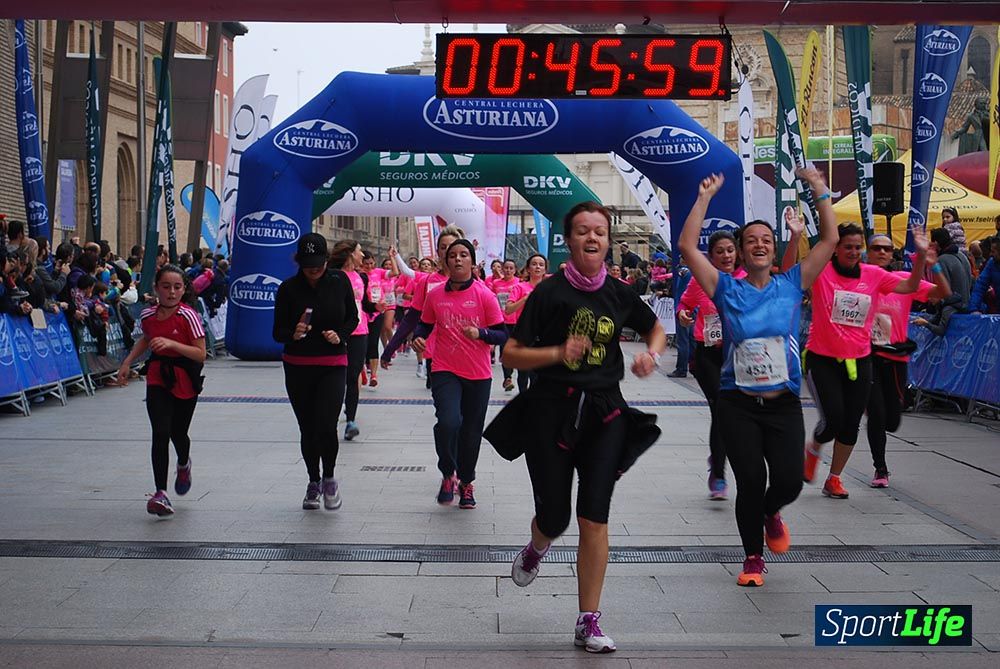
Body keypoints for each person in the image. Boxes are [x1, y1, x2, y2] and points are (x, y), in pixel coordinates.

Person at [487, 201, 666, 654]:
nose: (592, 238)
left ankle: (589, 620)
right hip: (551, 411)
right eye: (583, 231)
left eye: (600, 232)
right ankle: (536, 546)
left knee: (594, 514)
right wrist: (556, 353)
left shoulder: (620, 293)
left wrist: (651, 356)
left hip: (606, 413)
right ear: (568, 240)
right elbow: (511, 354)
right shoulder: (548, 293)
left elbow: (655, 329)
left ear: (608, 241)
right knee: (555, 518)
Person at [679, 167, 838, 587]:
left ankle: (771, 512)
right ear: (741, 251)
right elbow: (686, 246)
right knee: (750, 480)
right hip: (738, 403)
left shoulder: (792, 283)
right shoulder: (725, 288)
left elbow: (829, 241)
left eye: (766, 239)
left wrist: (819, 189)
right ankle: (752, 558)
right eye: (751, 241)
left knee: (788, 482)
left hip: (783, 403)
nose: (760, 245)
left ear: (774, 246)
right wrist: (704, 198)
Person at [803, 222, 929, 500]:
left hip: (860, 358)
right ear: (835, 249)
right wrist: (793, 237)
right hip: (822, 358)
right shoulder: (822, 271)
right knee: (833, 420)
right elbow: (790, 273)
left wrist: (920, 255)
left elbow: (910, 286)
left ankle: (834, 479)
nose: (853, 252)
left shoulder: (873, 275)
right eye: (847, 247)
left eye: (857, 247)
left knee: (851, 424)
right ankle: (813, 448)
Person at [413, 239, 507, 509]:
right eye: (452, 255)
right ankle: (447, 473)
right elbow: (424, 325)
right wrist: (418, 338)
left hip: (478, 373)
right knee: (448, 422)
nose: (457, 259)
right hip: (444, 368)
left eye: (463, 255)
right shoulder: (435, 295)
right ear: (446, 262)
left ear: (472, 262)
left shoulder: (484, 295)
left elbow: (502, 334)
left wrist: (481, 333)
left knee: (471, 432)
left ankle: (466, 482)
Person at [271, 233, 359, 510]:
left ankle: (329, 477)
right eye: (308, 265)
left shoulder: (339, 281)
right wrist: (293, 332)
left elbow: (353, 317)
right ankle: (313, 481)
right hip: (298, 365)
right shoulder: (288, 289)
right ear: (299, 262)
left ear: (327, 261)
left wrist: (340, 334)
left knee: (326, 424)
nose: (314, 270)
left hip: (332, 363)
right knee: (308, 427)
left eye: (319, 264)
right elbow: (277, 332)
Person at [116, 265, 207, 516]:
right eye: (166, 287)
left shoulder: (188, 316)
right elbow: (146, 338)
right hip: (158, 376)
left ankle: (184, 463)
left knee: (178, 432)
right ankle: (161, 493)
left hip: (185, 377)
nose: (171, 292)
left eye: (177, 287)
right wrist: (127, 362)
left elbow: (200, 353)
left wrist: (172, 344)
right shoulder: (148, 315)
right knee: (160, 431)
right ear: (156, 288)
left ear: (184, 289)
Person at [864, 234, 951, 488]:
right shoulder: (859, 280)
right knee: (877, 414)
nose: (882, 252)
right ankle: (880, 469)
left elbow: (942, 293)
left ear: (893, 254)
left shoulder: (904, 280)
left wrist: (933, 265)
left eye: (887, 248)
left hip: (895, 357)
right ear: (867, 252)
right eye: (876, 248)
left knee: (892, 420)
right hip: (867, 357)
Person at [676, 230, 746, 500]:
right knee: (721, 407)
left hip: (738, 356)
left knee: (728, 414)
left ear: (737, 253)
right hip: (707, 355)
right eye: (720, 252)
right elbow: (684, 305)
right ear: (711, 257)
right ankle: (718, 473)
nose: (726, 256)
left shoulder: (747, 279)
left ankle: (718, 458)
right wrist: (684, 315)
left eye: (730, 250)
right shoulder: (701, 280)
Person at [329, 240, 379, 440]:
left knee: (353, 376)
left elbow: (364, 303)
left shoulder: (361, 277)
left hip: (360, 331)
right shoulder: (333, 276)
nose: (362, 256)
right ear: (350, 254)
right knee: (337, 377)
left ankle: (350, 420)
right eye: (359, 252)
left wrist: (376, 307)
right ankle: (330, 418)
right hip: (339, 332)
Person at [912, 227, 971, 336]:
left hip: (954, 305)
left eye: (932, 241)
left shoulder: (942, 260)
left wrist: (927, 322)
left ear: (936, 243)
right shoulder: (962, 256)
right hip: (967, 304)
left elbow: (944, 290)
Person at [503, 253, 549, 392]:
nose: (537, 267)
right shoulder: (519, 288)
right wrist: (524, 299)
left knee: (537, 373)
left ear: (545, 269)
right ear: (528, 269)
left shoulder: (549, 289)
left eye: (541, 265)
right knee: (523, 373)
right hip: (523, 334)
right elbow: (508, 309)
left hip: (543, 335)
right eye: (534, 264)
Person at [490, 259, 522, 391]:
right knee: (505, 350)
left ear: (515, 270)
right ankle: (507, 378)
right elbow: (491, 300)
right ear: (502, 269)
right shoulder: (496, 283)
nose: (508, 270)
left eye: (511, 268)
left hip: (517, 321)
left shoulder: (519, 283)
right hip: (502, 321)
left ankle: (519, 374)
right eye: (506, 268)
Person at [968, 236, 1000, 314]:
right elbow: (980, 286)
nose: (990, 254)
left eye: (993, 251)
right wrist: (974, 309)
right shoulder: (992, 263)